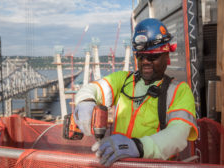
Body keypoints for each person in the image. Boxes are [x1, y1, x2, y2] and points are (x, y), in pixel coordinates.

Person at [74, 18, 198, 167]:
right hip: (117, 163)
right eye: (141, 56)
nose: (145, 61)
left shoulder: (180, 91)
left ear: (167, 56)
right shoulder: (123, 80)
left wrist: (138, 147)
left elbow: (178, 134)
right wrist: (85, 102)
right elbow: (92, 89)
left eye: (152, 56)